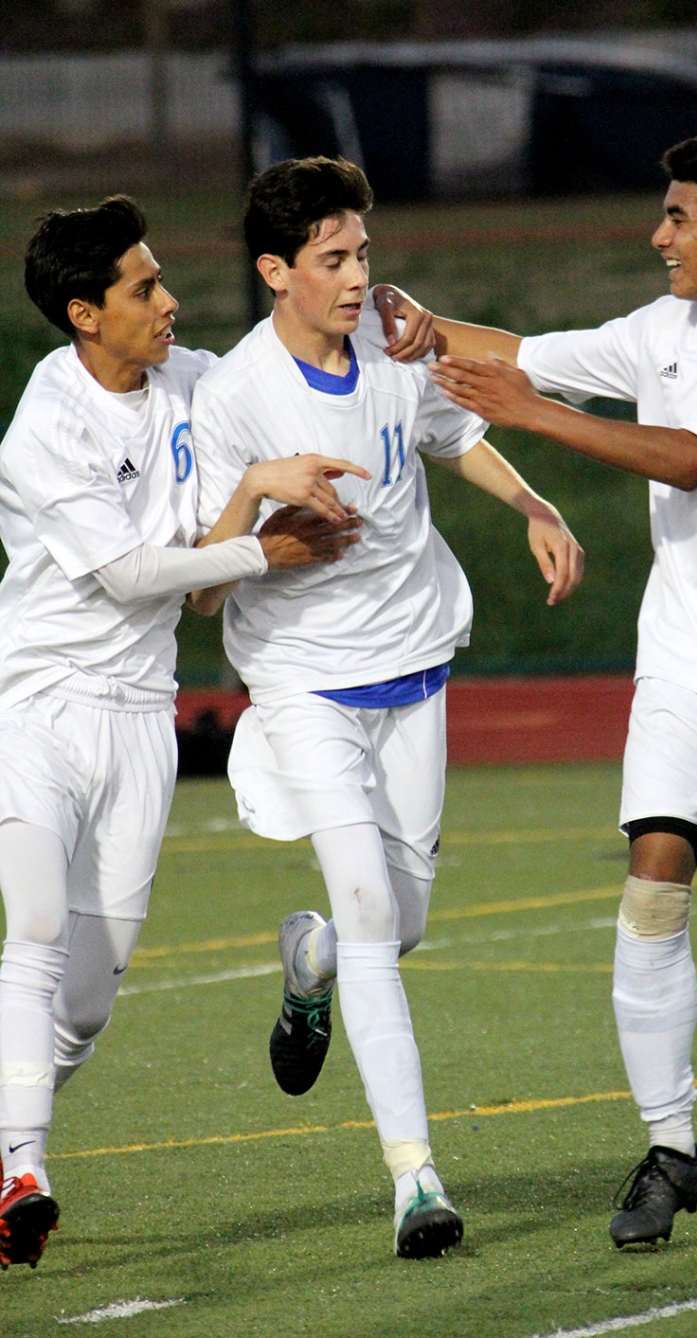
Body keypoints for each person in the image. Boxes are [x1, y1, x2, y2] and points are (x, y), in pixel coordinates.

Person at [382, 128, 697, 1246]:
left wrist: (528, 414)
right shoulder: (665, 326)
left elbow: (687, 456)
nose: (655, 236)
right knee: (652, 889)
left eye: (677, 218)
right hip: (683, 660)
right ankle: (669, 1147)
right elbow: (528, 348)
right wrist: (425, 331)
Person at [187, 154, 583, 1260]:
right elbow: (207, 584)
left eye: (362, 252)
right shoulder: (234, 395)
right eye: (332, 259)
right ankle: (416, 1181)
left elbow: (452, 438)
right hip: (302, 681)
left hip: (417, 669)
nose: (359, 275)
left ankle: (306, 958)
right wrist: (262, 498)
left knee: (392, 927)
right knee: (373, 914)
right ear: (275, 270)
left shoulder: (393, 352)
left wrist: (534, 503)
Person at [0, 196, 365, 1269]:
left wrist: (367, 315)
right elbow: (126, 576)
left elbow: (281, 365)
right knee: (33, 935)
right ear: (84, 313)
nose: (169, 302)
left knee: (86, 1004)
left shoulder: (190, 381)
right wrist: (262, 550)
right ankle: (22, 1168)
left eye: (162, 280)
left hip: (140, 718)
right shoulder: (45, 428)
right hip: (37, 706)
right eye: (143, 289)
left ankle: (3, 1141)